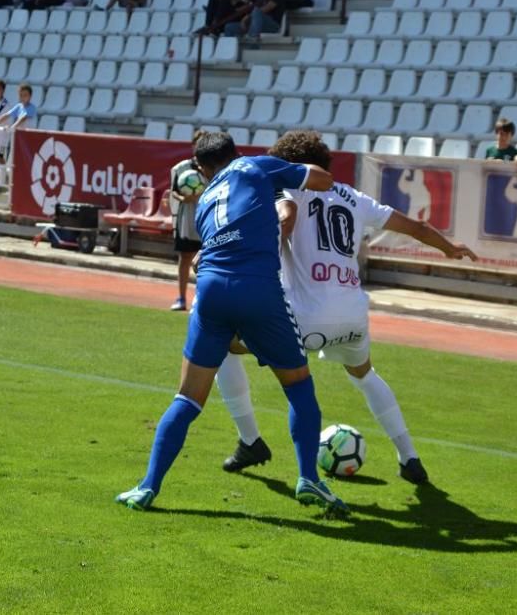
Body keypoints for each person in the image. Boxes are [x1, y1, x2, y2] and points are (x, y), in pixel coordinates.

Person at [214, 130, 477, 484]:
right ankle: (409, 457)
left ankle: (251, 441)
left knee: (221, 343)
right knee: (365, 375)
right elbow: (415, 226)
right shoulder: (355, 198)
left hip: (305, 317)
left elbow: (283, 218)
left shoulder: (288, 191)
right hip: (352, 315)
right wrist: (448, 247)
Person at [114, 132, 349, 516]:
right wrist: (298, 175)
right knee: (298, 385)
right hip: (257, 288)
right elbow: (322, 180)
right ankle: (309, 478)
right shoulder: (254, 165)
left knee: (187, 398)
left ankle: (146, 486)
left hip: (209, 292)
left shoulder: (205, 198)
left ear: (202, 170)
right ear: (235, 152)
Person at [168, 156, 203, 311]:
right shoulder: (182, 168)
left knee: (205, 261)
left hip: (205, 218)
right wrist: (184, 197)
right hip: (186, 219)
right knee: (185, 256)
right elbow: (173, 191)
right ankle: (181, 298)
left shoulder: (214, 166)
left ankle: (202, 299)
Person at [0, 82, 37, 164]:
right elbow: (6, 115)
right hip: (6, 138)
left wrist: (13, 126)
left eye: (25, 95)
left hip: (20, 139)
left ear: (30, 96)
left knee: (8, 159)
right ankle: (5, 175)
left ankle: (9, 174)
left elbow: (23, 118)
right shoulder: (18, 106)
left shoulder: (31, 107)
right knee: (2, 158)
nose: (23, 97)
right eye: (21, 95)